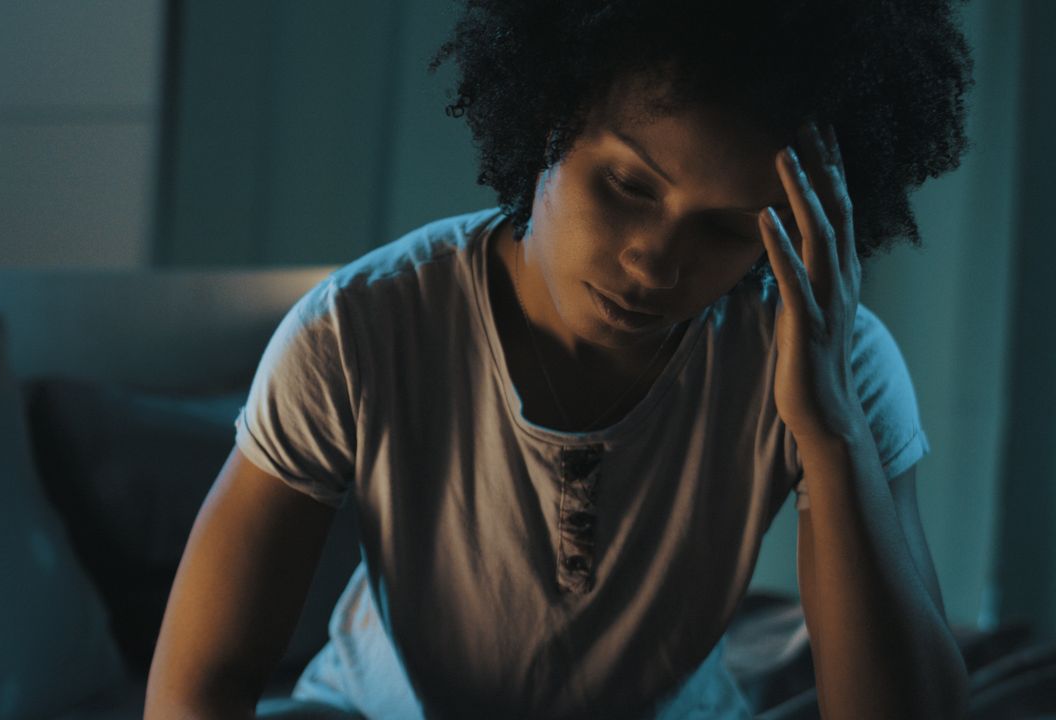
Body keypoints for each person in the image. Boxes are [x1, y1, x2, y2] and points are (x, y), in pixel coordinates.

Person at [145, 1, 975, 717]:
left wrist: (829, 431)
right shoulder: (356, 329)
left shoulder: (833, 360)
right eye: (628, 186)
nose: (655, 262)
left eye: (726, 230)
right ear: (550, 118)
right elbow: (194, 688)